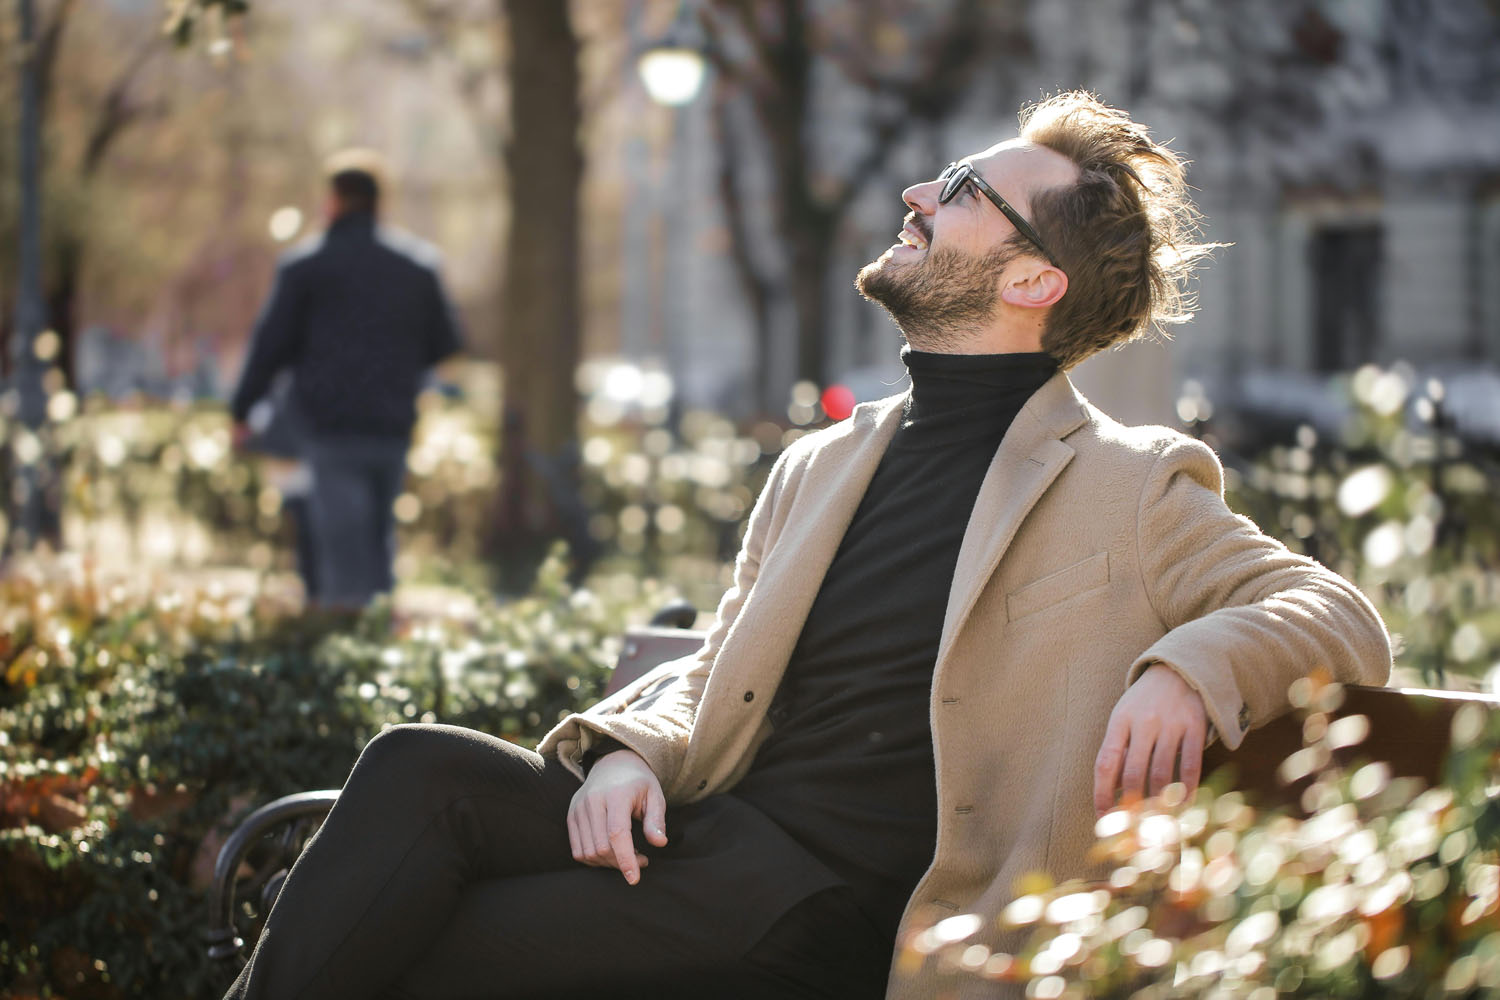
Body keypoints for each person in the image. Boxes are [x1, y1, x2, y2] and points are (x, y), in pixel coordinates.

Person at [222, 93, 1390, 1000]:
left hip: (828, 908)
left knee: (415, 952)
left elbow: (1337, 614)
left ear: (1033, 277)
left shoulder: (1127, 485)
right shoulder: (828, 460)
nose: (920, 190)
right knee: (417, 768)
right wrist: (632, 748)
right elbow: (715, 657)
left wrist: (1192, 666)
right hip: (714, 838)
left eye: (967, 188)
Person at [230, 150, 463, 608]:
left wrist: (242, 410)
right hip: (392, 425)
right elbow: (445, 345)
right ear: (379, 202)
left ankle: (349, 652)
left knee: (340, 551)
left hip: (328, 427)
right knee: (377, 543)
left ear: (333, 200)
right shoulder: (417, 267)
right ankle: (374, 645)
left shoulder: (305, 266)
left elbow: (270, 346)